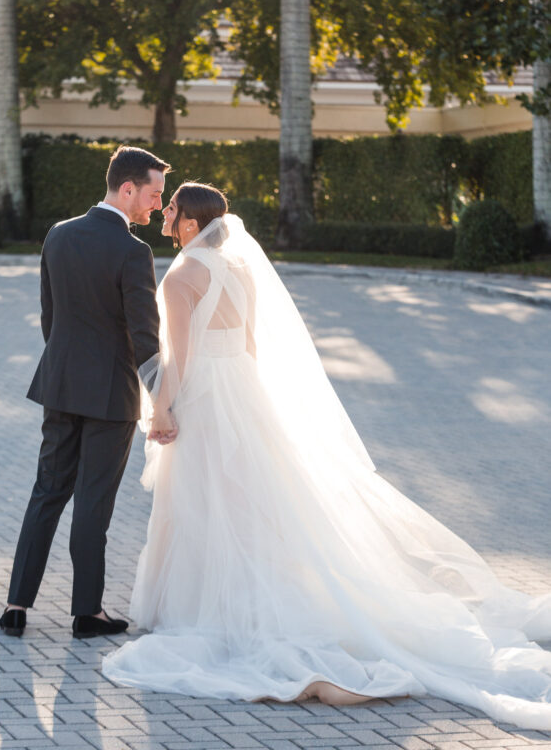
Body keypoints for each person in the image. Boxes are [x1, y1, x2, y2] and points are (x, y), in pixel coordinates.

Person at [103, 182, 551, 728]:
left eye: (171, 209)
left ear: (191, 224)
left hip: (206, 397)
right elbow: (248, 347)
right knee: (256, 505)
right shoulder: (239, 269)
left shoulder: (180, 276)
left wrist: (163, 411)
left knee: (207, 502)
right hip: (245, 392)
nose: (166, 215)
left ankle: (213, 609)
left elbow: (179, 356)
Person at [0, 145, 177, 640]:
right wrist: (164, 399)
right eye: (154, 194)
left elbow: (48, 315)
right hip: (111, 397)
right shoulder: (133, 251)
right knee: (92, 503)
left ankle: (16, 607)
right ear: (127, 189)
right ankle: (86, 613)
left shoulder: (59, 234)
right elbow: (146, 336)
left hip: (59, 385)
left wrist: (65, 368)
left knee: (47, 492)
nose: (157, 206)